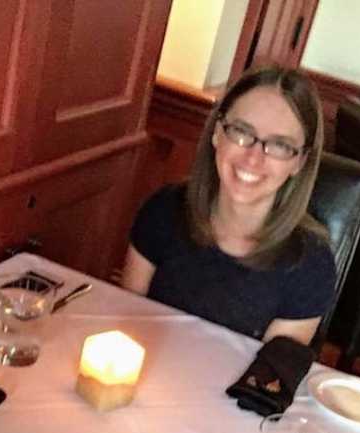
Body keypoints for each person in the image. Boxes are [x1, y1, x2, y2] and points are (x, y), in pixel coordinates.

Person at [122, 65, 335, 345]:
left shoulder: (310, 265)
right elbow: (126, 319)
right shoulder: (164, 210)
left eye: (280, 145)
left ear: (299, 162)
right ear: (217, 134)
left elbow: (267, 379)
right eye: (241, 132)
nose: (253, 158)